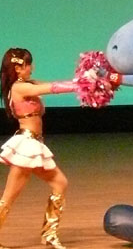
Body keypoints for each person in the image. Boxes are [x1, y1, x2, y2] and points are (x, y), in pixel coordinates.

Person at [0, 48, 81, 249]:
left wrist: (84, 82)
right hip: (26, 146)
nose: (32, 67)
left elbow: (52, 85)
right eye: (28, 64)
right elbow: (53, 88)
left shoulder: (29, 84)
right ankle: (49, 235)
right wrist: (84, 85)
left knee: (60, 183)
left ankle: (50, 234)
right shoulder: (19, 88)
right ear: (18, 68)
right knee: (9, 197)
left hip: (35, 145)